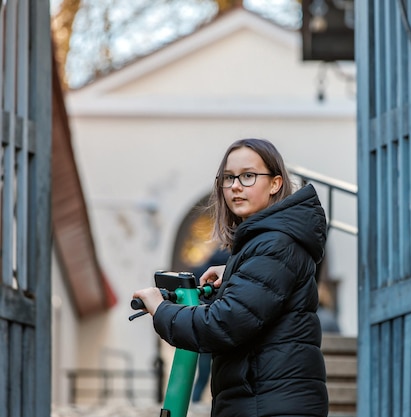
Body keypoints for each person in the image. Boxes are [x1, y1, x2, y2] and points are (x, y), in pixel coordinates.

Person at [133, 138, 329, 417]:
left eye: (248, 176)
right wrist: (235, 272)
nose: (235, 186)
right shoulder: (269, 244)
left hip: (270, 406)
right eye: (228, 178)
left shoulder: (275, 245)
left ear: (275, 183)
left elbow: (223, 324)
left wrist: (161, 309)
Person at [189, 248, 230, 404]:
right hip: (223, 326)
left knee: (203, 373)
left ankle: (195, 402)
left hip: (204, 325)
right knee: (224, 372)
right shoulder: (227, 272)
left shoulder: (202, 270)